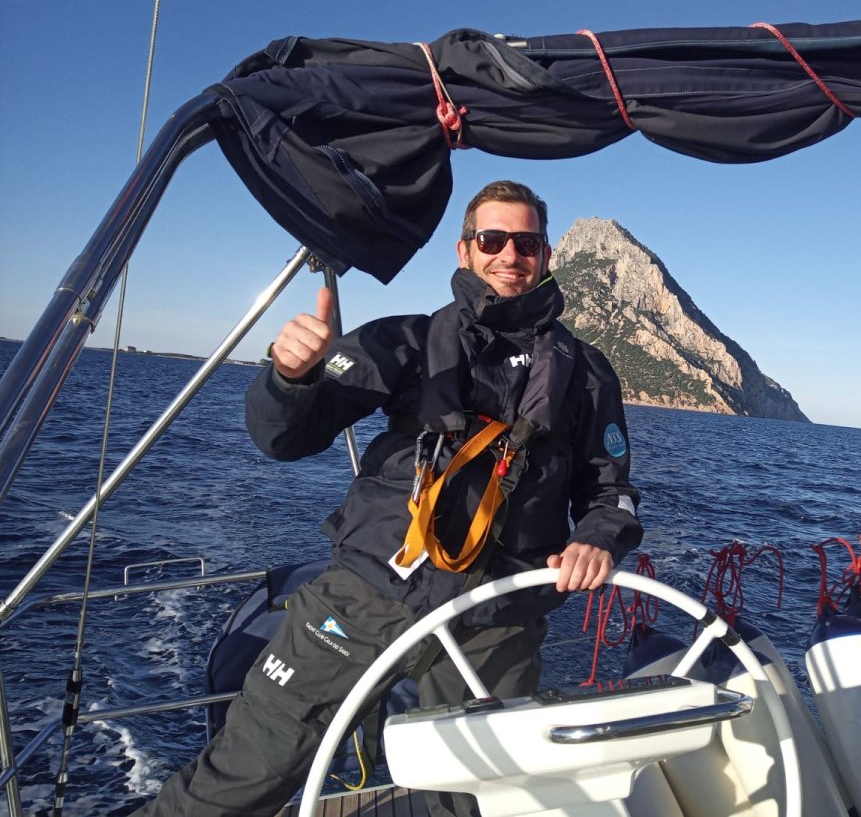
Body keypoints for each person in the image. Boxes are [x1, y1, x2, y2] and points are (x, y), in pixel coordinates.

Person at [137, 180, 642, 816]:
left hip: (496, 620)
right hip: (365, 595)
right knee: (245, 773)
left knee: (476, 801)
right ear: (465, 250)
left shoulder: (587, 375)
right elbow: (285, 438)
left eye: (526, 243)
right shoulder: (405, 342)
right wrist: (290, 378)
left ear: (545, 255)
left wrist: (596, 539)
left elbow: (610, 491)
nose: (509, 255)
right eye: (492, 240)